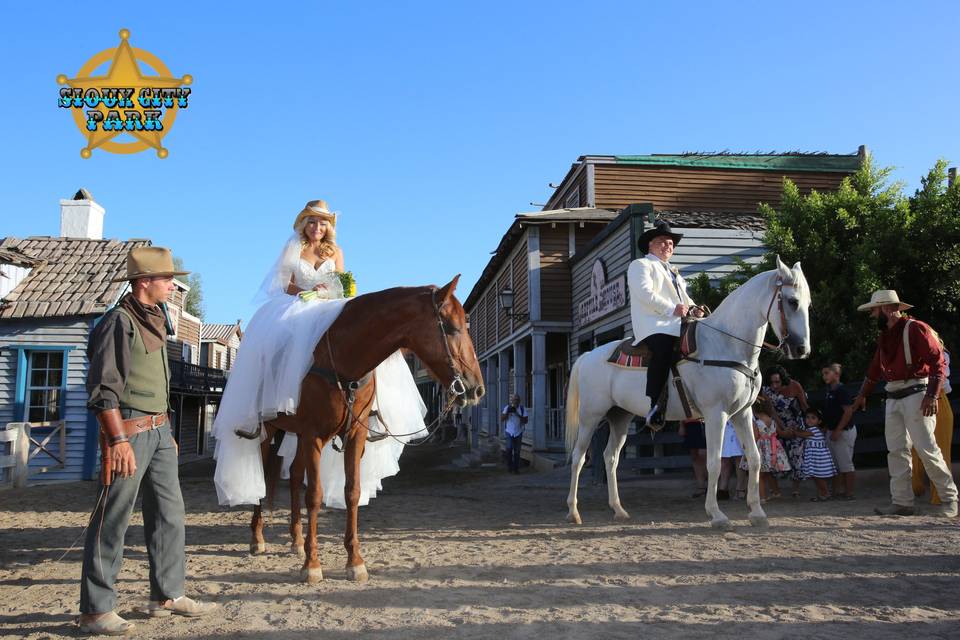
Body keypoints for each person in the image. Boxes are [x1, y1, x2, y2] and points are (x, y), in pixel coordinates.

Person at [212, 200, 427, 509]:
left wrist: (327, 293)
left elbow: (343, 284)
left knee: (365, 345)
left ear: (329, 227)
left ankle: (375, 409)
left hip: (328, 305)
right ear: (304, 224)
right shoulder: (293, 248)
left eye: (322, 223)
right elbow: (282, 284)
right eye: (312, 222)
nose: (317, 227)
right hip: (297, 305)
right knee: (277, 340)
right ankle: (265, 400)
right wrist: (302, 293)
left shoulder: (335, 252)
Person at [79, 247, 216, 635]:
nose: (174, 285)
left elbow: (158, 383)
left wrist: (168, 430)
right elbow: (103, 389)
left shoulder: (156, 318)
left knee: (170, 515)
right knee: (113, 519)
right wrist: (117, 441)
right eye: (167, 279)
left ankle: (167, 595)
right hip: (129, 434)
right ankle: (95, 610)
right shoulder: (118, 323)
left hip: (159, 433)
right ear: (144, 282)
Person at [849, 290, 957, 517]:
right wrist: (862, 394)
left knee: (927, 449)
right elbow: (874, 369)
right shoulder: (886, 334)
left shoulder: (916, 328)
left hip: (917, 393)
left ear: (887, 309)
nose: (872, 315)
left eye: (874, 310)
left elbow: (937, 361)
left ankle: (950, 499)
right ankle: (902, 501)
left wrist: (931, 395)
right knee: (896, 451)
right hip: (894, 396)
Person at [626, 220, 703, 428]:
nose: (668, 246)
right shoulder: (640, 265)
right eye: (662, 242)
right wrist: (672, 309)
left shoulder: (674, 271)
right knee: (664, 348)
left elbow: (684, 298)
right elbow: (645, 294)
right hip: (655, 325)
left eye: (670, 243)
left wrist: (695, 308)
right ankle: (655, 405)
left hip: (678, 323)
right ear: (650, 245)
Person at [912, 347, 954, 504]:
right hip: (918, 400)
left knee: (941, 452)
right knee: (914, 448)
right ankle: (915, 487)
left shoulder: (940, 354)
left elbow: (940, 376)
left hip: (937, 398)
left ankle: (941, 495)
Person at [764, 365, 808, 498]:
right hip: (776, 425)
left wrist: (812, 425)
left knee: (796, 455)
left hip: (795, 424)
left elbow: (804, 406)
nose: (775, 385)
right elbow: (772, 412)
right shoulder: (766, 390)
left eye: (777, 382)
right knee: (775, 456)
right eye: (772, 382)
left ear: (783, 379)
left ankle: (796, 488)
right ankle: (776, 490)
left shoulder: (795, 386)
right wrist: (783, 430)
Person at [741, 396, 790, 501]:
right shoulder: (772, 421)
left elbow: (754, 437)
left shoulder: (756, 423)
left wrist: (746, 446)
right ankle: (776, 492)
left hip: (761, 450)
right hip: (773, 448)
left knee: (759, 475)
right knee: (769, 473)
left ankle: (761, 497)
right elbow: (779, 433)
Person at [821, 363, 857, 500]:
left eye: (827, 373)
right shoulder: (829, 390)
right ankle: (837, 491)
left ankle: (849, 493)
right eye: (823, 374)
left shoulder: (842, 391)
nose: (824, 376)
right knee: (835, 464)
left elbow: (848, 412)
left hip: (843, 431)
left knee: (846, 463)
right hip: (832, 430)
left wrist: (838, 430)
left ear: (836, 374)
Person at [796, 408, 837, 501]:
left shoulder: (813, 430)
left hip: (818, 459)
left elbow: (802, 434)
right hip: (816, 458)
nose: (809, 420)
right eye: (807, 417)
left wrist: (794, 431)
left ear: (819, 421)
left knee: (818, 477)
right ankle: (821, 494)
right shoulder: (814, 429)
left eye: (813, 418)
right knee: (816, 477)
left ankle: (825, 493)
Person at [679, 418, 708, 497]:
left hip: (704, 423)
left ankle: (711, 486)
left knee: (704, 454)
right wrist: (681, 424)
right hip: (689, 424)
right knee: (695, 456)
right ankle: (701, 486)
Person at [500, 394, 527, 473]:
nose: (515, 402)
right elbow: (502, 419)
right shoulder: (507, 408)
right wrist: (507, 413)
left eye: (517, 400)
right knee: (509, 449)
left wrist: (517, 414)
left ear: (519, 401)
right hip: (509, 432)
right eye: (514, 400)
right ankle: (509, 467)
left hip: (518, 432)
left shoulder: (522, 409)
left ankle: (516, 469)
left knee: (517, 451)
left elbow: (525, 421)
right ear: (511, 401)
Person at [720, 420, 746, 500]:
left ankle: (741, 488)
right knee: (724, 459)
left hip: (739, 425)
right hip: (724, 427)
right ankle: (723, 489)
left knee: (739, 459)